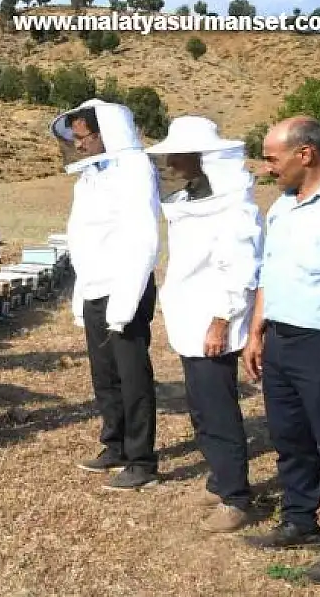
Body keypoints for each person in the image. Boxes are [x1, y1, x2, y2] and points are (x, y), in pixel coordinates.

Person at [144, 116, 262, 532]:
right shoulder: (194, 197)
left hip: (214, 320)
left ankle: (236, 498)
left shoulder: (233, 203)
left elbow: (240, 268)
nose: (172, 162)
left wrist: (221, 320)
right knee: (201, 407)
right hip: (191, 318)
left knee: (218, 409)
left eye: (179, 154)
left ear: (202, 157)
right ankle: (219, 479)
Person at [241, 116, 320, 586]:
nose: (266, 169)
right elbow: (269, 271)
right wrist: (257, 330)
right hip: (280, 340)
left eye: (271, 157)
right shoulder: (280, 207)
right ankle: (300, 519)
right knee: (290, 440)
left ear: (306, 154)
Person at [49, 99, 162, 491]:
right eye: (75, 138)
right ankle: (114, 444)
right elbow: (84, 238)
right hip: (96, 286)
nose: (78, 145)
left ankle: (142, 459)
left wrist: (126, 298)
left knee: (132, 376)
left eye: (83, 137)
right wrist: (82, 292)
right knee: (105, 374)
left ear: (106, 133)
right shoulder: (91, 176)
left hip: (125, 287)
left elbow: (144, 236)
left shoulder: (134, 170)